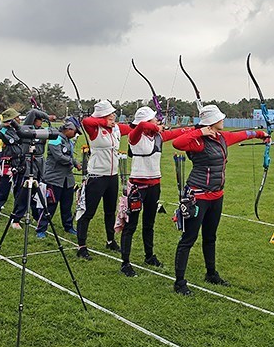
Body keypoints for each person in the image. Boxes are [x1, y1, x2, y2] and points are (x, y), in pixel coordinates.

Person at [170, 104, 269, 296]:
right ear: (212, 122)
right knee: (188, 239)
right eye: (220, 118)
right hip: (197, 196)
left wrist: (261, 134)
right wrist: (200, 131)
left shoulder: (222, 137)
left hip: (216, 195)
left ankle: (211, 274)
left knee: (210, 236)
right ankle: (179, 283)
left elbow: (244, 134)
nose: (223, 120)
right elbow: (177, 143)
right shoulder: (197, 142)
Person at [116, 106, 193, 277]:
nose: (157, 121)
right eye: (154, 119)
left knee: (149, 223)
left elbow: (179, 132)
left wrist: (196, 129)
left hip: (154, 185)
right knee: (131, 225)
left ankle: (149, 256)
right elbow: (142, 126)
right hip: (137, 186)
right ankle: (125, 263)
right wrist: (155, 127)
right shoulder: (134, 136)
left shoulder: (158, 136)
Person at [76, 100, 131, 260]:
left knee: (110, 211)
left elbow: (134, 127)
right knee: (87, 212)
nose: (114, 115)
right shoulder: (94, 129)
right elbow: (86, 121)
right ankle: (81, 246)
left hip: (112, 176)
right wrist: (104, 122)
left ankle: (110, 240)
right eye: (110, 113)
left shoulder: (116, 128)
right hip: (97, 176)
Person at [37, 118, 80, 238]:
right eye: (75, 132)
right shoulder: (55, 138)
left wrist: (75, 162)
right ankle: (41, 228)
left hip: (67, 180)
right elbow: (59, 156)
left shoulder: (68, 140)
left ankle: (68, 226)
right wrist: (74, 162)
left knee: (67, 205)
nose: (75, 135)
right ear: (68, 129)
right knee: (50, 205)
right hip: (54, 178)